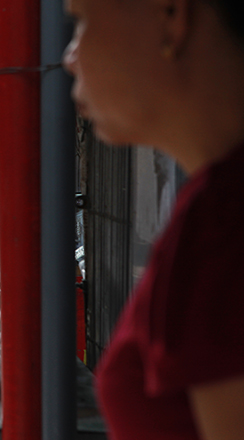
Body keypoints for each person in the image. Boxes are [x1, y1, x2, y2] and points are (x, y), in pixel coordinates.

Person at [63, 0, 244, 439]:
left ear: (170, 15)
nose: (69, 57)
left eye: (82, 20)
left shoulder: (223, 226)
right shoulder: (212, 207)